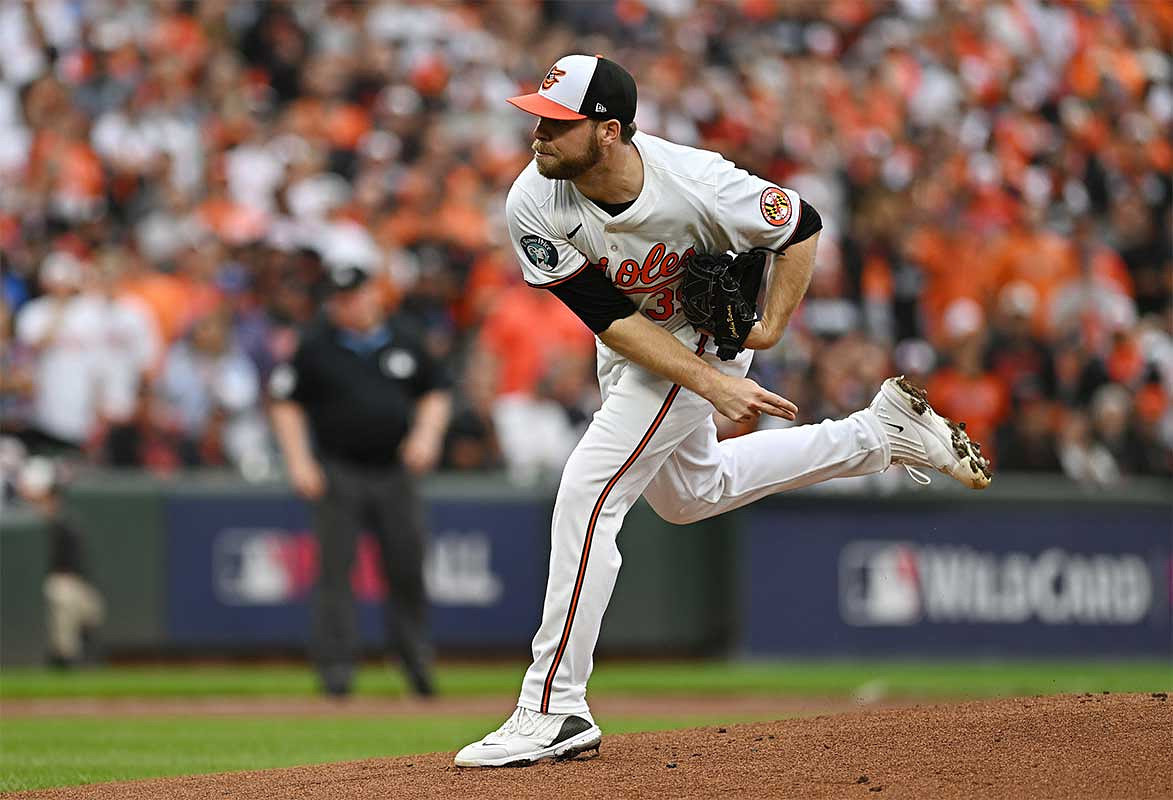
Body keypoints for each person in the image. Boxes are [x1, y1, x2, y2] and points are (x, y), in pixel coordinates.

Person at [455, 55, 992, 768]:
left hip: (703, 335)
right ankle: (876, 433)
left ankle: (553, 706)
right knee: (689, 495)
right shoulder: (533, 199)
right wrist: (709, 388)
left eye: (556, 123)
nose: (537, 134)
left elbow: (800, 224)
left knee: (587, 492)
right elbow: (610, 320)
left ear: (607, 131)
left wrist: (766, 330)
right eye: (536, 118)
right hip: (639, 345)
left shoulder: (697, 181)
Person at [269, 263, 452, 698]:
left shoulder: (406, 337)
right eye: (339, 298)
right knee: (335, 570)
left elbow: (436, 390)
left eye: (354, 295)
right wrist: (299, 461)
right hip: (339, 469)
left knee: (407, 566)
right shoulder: (315, 344)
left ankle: (415, 661)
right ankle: (336, 669)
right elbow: (284, 402)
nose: (347, 305)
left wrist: (426, 437)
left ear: (373, 294)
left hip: (395, 469)